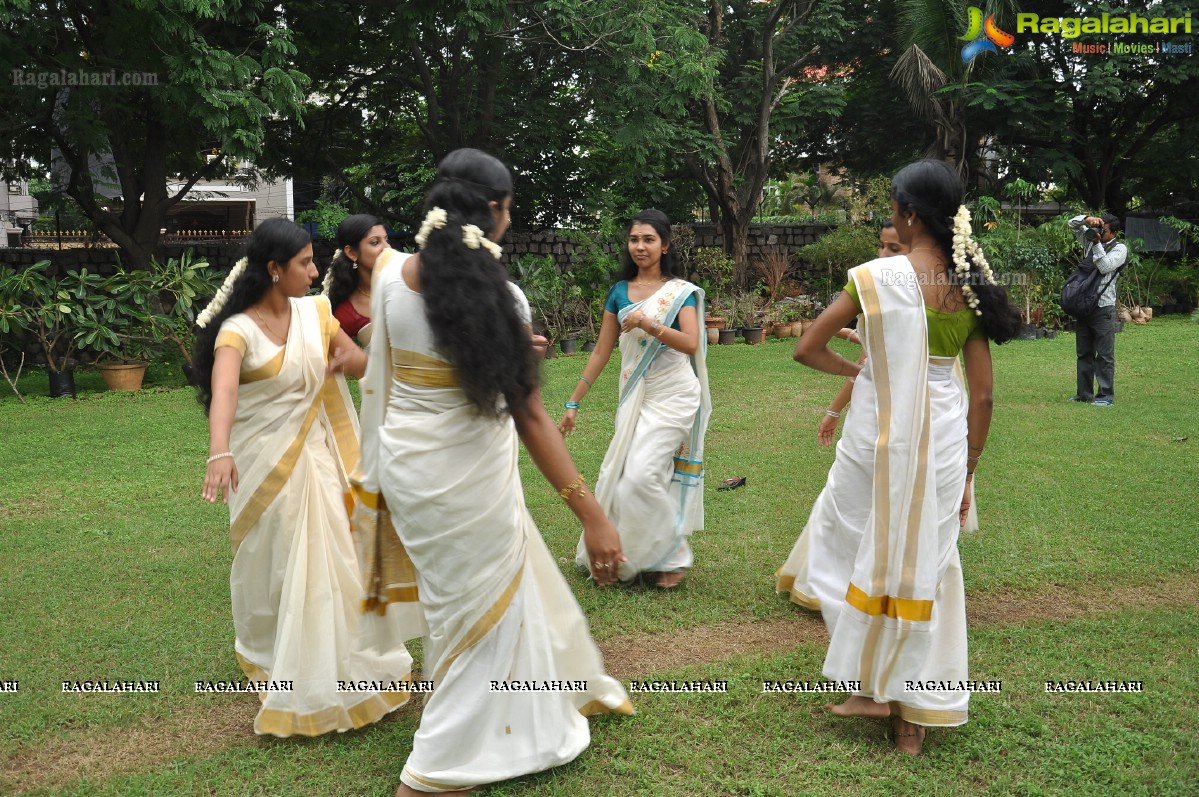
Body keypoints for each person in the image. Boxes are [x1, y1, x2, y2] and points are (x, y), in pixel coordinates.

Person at [354, 148, 632, 796]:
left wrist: (505, 343)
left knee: (459, 604)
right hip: (469, 479)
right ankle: (440, 765)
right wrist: (592, 516)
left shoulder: (391, 277)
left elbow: (405, 359)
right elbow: (531, 419)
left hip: (409, 472)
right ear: (497, 211)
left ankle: (512, 723)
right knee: (479, 607)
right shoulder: (501, 295)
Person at [777, 159, 1021, 754]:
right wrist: (969, 468)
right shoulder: (968, 285)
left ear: (910, 215)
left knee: (850, 546)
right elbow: (983, 394)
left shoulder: (872, 278)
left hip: (874, 434)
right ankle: (912, 713)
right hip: (940, 438)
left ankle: (872, 683)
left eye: (893, 209)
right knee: (929, 565)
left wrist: (857, 370)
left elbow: (808, 348)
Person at [193, 217, 413, 736]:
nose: (316, 272)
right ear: (273, 270)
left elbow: (359, 365)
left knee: (333, 553)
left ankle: (342, 667)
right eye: (304, 264)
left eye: (315, 260)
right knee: (280, 559)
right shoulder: (237, 330)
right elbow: (223, 394)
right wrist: (218, 452)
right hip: (265, 460)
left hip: (326, 453)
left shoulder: (316, 315)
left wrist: (355, 360)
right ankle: (277, 655)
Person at [558, 209, 712, 590]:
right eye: (634, 239)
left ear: (665, 245)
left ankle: (672, 554)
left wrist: (648, 323)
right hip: (635, 395)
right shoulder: (618, 291)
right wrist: (574, 401)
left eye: (648, 239)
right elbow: (600, 351)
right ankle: (630, 557)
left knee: (641, 475)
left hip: (674, 393)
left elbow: (692, 343)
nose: (640, 246)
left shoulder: (680, 293)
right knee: (623, 474)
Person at [1068, 213, 1126, 406]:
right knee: (1083, 352)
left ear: (1114, 233)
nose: (1099, 232)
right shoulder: (1092, 242)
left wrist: (1097, 243)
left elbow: (1104, 266)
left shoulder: (1120, 249)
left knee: (1104, 354)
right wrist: (1087, 219)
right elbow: (1072, 225)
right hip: (1085, 305)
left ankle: (1105, 396)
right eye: (1100, 228)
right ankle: (1084, 394)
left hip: (1103, 307)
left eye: (1104, 230)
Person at [324, 214, 391, 344]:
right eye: (375, 242)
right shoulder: (344, 314)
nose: (387, 248)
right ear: (352, 253)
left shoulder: (405, 286)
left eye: (386, 240)